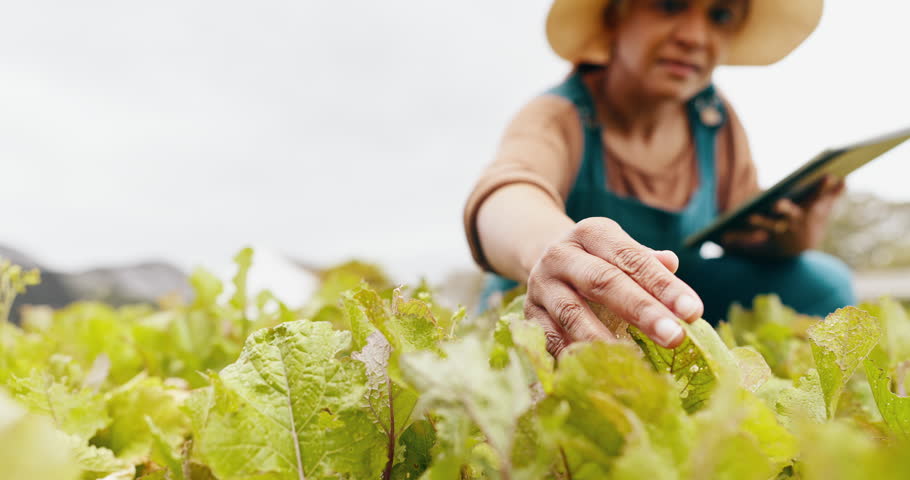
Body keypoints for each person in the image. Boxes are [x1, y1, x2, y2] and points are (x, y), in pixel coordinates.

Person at [463, 0, 855, 356]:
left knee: (822, 282)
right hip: (562, 309)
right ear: (617, 15)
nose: (694, 37)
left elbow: (740, 229)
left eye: (720, 16)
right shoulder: (559, 115)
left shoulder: (714, 121)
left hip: (672, 304)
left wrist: (786, 240)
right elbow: (507, 194)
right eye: (669, 5)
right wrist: (553, 249)